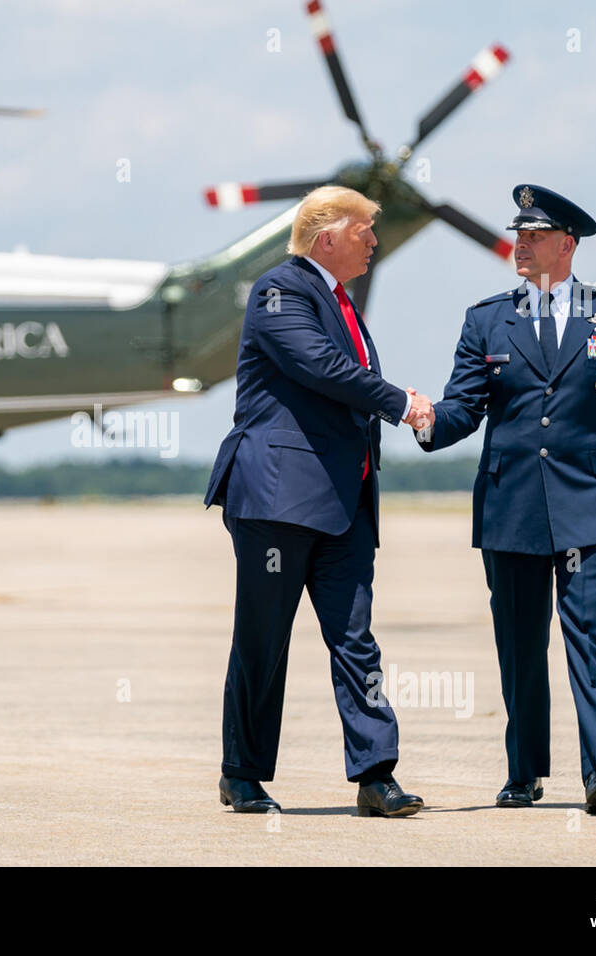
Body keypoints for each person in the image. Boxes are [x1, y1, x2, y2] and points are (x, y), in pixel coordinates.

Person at [415, 184, 596, 814]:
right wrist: (421, 418)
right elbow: (464, 409)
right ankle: (524, 771)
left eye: (535, 236)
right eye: (518, 234)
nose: (521, 245)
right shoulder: (486, 318)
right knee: (518, 642)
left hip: (592, 503)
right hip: (511, 507)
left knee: (593, 638)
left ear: (567, 243)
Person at [204, 185, 434, 817]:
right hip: (281, 498)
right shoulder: (280, 289)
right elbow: (319, 366)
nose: (374, 242)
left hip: (347, 501)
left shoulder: (341, 302)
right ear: (327, 235)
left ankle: (375, 775)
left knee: (356, 639)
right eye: (365, 231)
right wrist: (400, 402)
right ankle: (242, 773)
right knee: (263, 637)